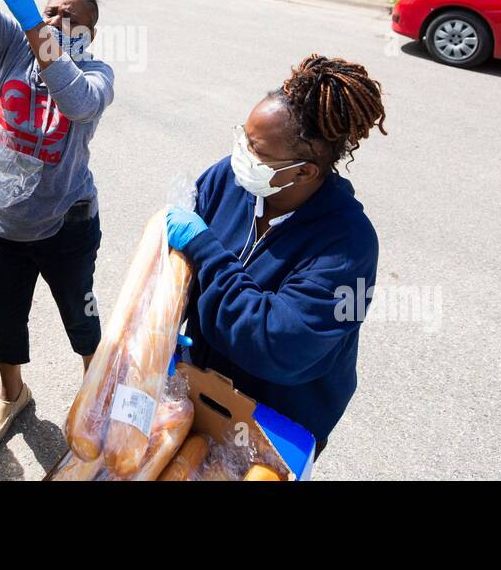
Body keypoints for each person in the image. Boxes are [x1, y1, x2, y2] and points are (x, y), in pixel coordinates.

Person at [164, 54, 387, 454]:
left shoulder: (349, 246)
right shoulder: (228, 180)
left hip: (273, 422)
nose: (240, 154)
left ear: (304, 172)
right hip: (197, 388)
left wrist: (206, 250)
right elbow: (177, 272)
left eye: (255, 148)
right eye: (243, 137)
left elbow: (275, 345)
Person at [0, 0, 114, 449]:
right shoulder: (12, 48)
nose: (59, 21)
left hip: (68, 225)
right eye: (52, 10)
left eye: (72, 18)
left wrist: (36, 25)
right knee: (6, 320)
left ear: (89, 35)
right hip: (5, 223)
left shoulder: (97, 75)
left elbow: (75, 101)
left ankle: (95, 394)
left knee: (81, 319)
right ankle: (11, 395)